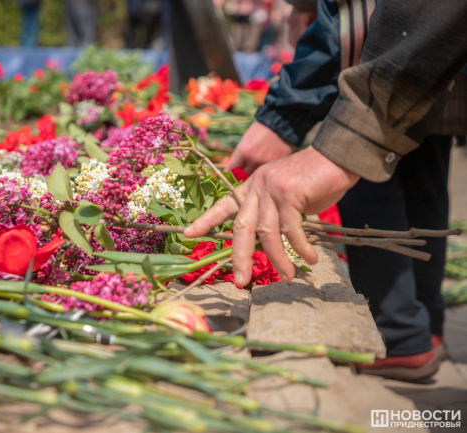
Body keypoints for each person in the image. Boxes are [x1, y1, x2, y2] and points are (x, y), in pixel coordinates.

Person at [184, 0, 467, 381]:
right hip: (432, 65)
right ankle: (425, 327)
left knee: (366, 173)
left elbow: (352, 16)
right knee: (421, 162)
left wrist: (288, 118)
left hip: (397, 51)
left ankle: (398, 334)